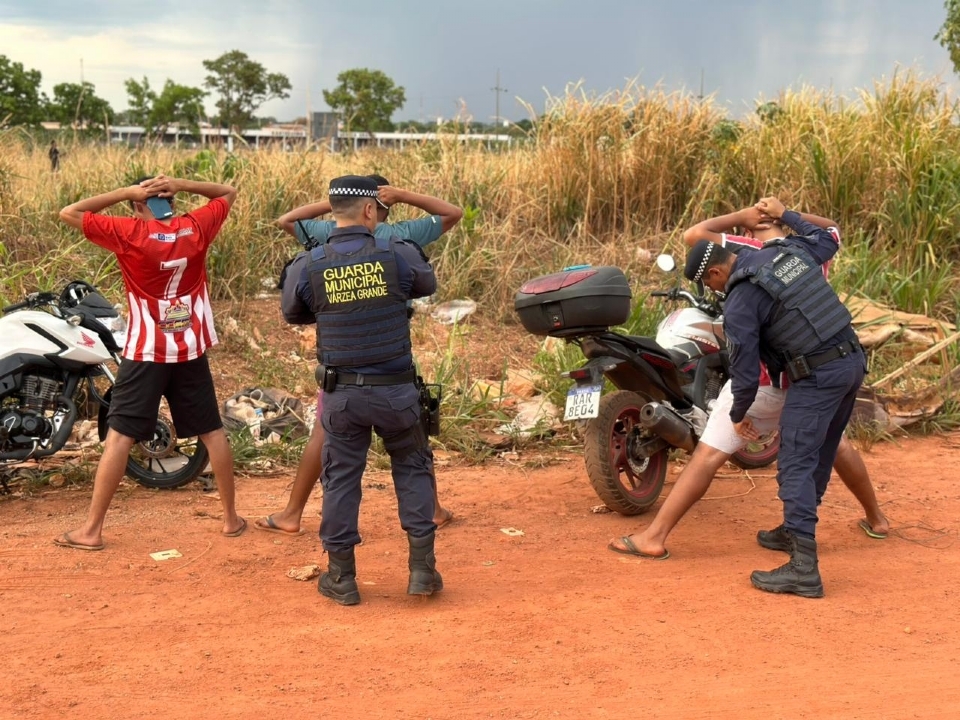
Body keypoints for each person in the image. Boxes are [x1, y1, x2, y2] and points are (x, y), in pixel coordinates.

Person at [609, 204, 888, 562]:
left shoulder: (748, 262)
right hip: (825, 370)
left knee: (711, 453)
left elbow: (742, 361)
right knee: (835, 446)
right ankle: (875, 518)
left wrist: (741, 216)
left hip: (771, 379)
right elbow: (832, 230)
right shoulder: (800, 249)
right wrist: (786, 213)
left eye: (752, 228)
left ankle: (654, 536)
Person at [680, 197, 866, 597]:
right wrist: (786, 215)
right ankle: (792, 534)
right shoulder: (787, 250)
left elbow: (745, 369)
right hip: (851, 362)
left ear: (715, 271)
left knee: (795, 464)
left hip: (817, 375)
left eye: (709, 283)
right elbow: (827, 237)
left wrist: (737, 414)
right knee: (818, 454)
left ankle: (804, 569)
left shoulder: (742, 298)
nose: (713, 290)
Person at [257, 174, 462, 536]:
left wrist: (335, 204)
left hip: (342, 359)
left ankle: (295, 514)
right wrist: (402, 194)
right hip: (390, 351)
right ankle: (430, 512)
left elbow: (287, 221)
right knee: (411, 439)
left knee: (331, 439)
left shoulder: (326, 237)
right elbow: (452, 213)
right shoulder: (401, 238)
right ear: (378, 207)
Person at [54, 175, 244, 550]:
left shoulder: (130, 233)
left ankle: (91, 530)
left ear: (139, 205)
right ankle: (230, 519)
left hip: (146, 351)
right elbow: (228, 192)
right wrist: (181, 184)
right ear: (170, 200)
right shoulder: (196, 227)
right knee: (211, 429)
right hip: (189, 347)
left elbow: (70, 212)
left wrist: (126, 193)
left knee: (121, 435)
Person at [285, 174, 442, 605]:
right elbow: (426, 286)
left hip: (342, 397)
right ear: (371, 210)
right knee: (412, 469)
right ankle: (422, 572)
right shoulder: (399, 253)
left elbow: (294, 312)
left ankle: (342, 578)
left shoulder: (310, 261)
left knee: (341, 481)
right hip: (396, 393)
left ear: (332, 209)